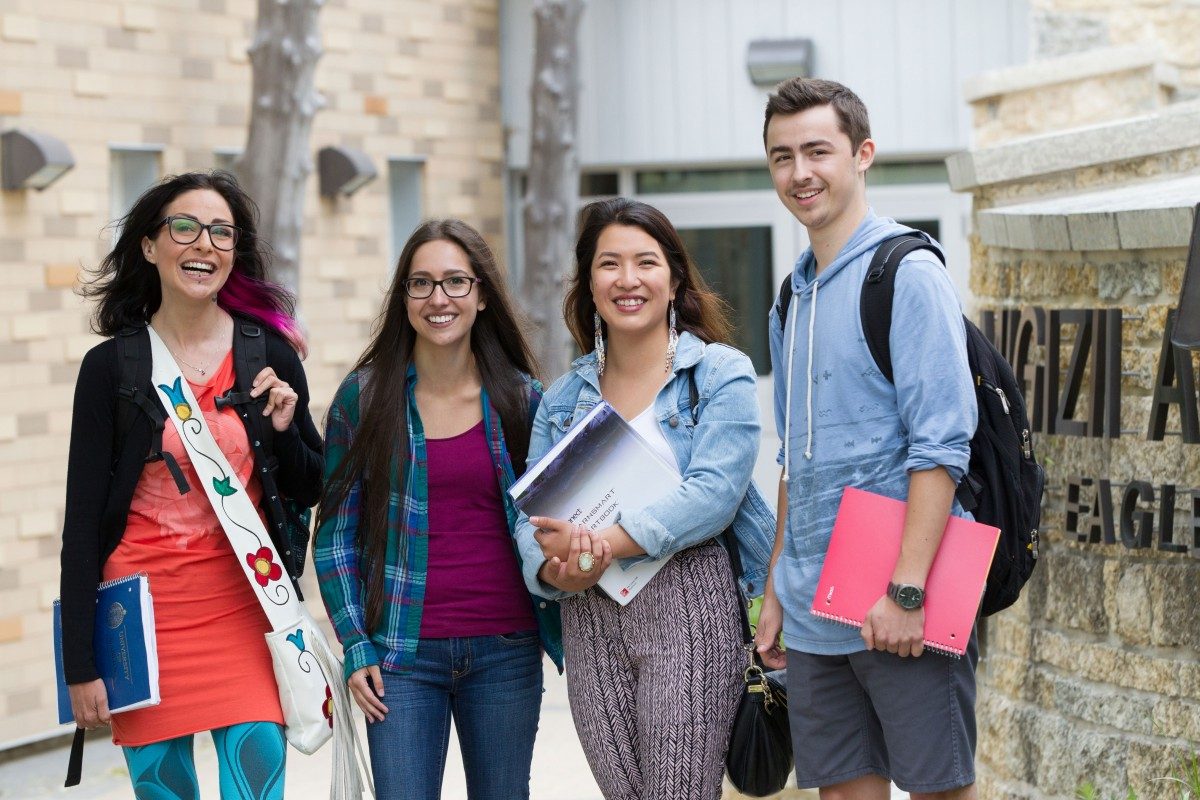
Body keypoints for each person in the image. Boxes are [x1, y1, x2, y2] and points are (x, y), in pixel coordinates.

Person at [59, 170, 323, 798]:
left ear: (235, 253)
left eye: (221, 233)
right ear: (149, 245)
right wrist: (81, 662)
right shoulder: (111, 369)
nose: (203, 244)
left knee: (256, 786)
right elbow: (81, 521)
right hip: (143, 627)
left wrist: (285, 431)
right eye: (184, 227)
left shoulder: (270, 356)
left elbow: (312, 486)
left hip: (246, 613)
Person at [752, 78, 979, 799]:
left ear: (862, 154)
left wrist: (906, 592)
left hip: (901, 597)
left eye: (818, 150)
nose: (800, 173)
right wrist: (777, 590)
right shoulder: (791, 297)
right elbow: (796, 458)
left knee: (942, 790)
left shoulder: (905, 273)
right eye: (782, 156)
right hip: (817, 611)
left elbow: (942, 446)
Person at [513, 197, 776, 800]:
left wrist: (603, 543)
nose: (627, 280)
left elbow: (715, 493)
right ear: (589, 282)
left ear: (675, 277)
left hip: (689, 602)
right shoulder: (561, 399)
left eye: (645, 262)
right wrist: (558, 570)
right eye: (610, 264)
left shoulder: (718, 375)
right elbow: (530, 515)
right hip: (590, 614)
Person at [313, 219, 563, 800]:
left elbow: (554, 521)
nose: (438, 299)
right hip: (399, 657)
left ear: (480, 295)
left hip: (507, 650)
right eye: (421, 284)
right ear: (403, 299)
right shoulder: (365, 398)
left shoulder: (523, 400)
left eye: (454, 282)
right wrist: (355, 643)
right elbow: (333, 536)